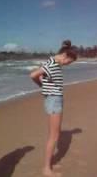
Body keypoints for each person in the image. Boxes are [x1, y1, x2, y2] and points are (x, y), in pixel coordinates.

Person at [30, 40, 78, 176]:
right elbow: (33, 75)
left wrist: (44, 86)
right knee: (54, 136)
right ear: (65, 55)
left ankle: (48, 165)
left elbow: (41, 77)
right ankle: (46, 168)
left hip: (54, 99)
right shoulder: (52, 64)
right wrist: (43, 87)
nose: (68, 64)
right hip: (54, 100)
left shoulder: (54, 63)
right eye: (69, 62)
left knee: (54, 135)